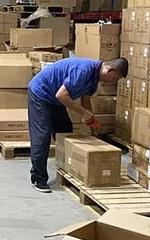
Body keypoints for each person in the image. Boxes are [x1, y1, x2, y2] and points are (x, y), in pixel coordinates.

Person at [27, 56, 128, 193]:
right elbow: (61, 95)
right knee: (42, 136)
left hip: (55, 99)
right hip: (41, 93)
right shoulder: (84, 70)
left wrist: (92, 127)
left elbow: (85, 99)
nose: (112, 82)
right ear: (109, 70)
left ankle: (67, 168)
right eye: (115, 78)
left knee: (65, 130)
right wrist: (84, 113)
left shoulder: (94, 78)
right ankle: (38, 178)